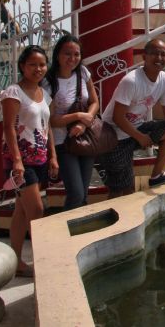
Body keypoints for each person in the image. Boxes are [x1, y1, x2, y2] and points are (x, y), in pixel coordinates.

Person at [0, 45, 59, 277]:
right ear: (22, 66)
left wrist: (53, 156)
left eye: (42, 64)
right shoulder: (14, 92)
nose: (38, 69)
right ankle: (44, 263)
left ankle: (16, 262)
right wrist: (16, 161)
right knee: (37, 211)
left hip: (40, 157)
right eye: (32, 64)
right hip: (21, 161)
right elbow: (8, 128)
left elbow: (47, 126)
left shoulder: (45, 94)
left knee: (21, 213)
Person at [102, 38, 165, 197]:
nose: (159, 58)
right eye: (154, 54)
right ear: (144, 57)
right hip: (115, 135)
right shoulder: (131, 81)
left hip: (138, 128)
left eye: (163, 54)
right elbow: (118, 117)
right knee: (123, 191)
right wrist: (140, 137)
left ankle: (156, 176)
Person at [42, 34, 100, 210]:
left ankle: (79, 232)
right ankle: (64, 231)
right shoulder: (48, 82)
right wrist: (78, 117)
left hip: (85, 137)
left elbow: (94, 102)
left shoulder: (83, 73)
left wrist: (84, 122)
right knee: (75, 193)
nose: (72, 58)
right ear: (58, 54)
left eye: (77, 54)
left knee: (83, 193)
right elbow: (51, 120)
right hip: (63, 142)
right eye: (67, 54)